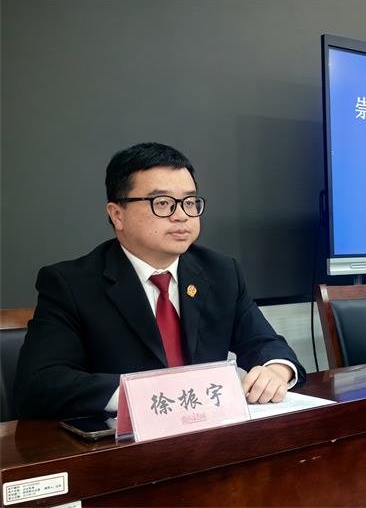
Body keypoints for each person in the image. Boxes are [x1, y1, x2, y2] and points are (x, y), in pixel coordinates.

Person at [15, 142, 306, 419]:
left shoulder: (220, 272)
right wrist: (143, 396)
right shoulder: (71, 284)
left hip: (208, 436)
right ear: (117, 215)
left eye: (189, 202)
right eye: (163, 203)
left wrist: (276, 370)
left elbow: (265, 343)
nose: (181, 216)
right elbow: (40, 383)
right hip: (120, 444)